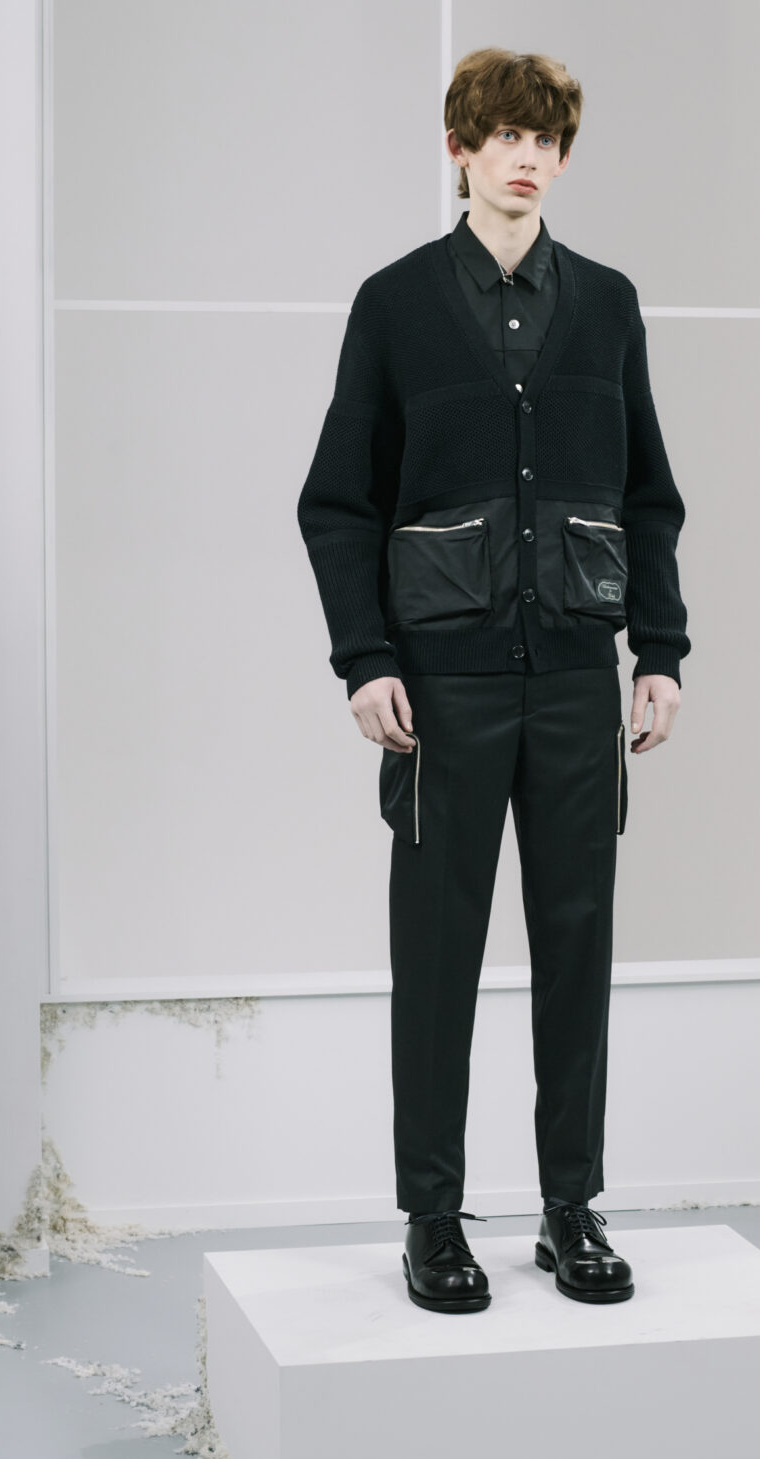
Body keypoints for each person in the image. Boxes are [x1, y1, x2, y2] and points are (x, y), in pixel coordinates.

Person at [297, 47, 690, 1314]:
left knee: (578, 951)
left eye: (545, 139)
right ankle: (433, 1218)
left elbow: (649, 497)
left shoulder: (608, 304)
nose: (525, 157)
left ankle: (570, 1208)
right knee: (437, 960)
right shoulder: (396, 304)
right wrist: (365, 660)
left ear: (562, 157)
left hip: (575, 682)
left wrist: (659, 652)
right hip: (444, 692)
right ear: (459, 148)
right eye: (503, 135)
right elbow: (338, 503)